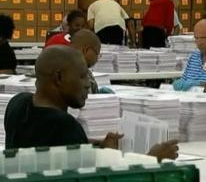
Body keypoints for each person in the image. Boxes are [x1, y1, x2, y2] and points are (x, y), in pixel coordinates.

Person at [4, 46, 178, 162]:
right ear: (58, 78)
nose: (88, 83)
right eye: (82, 76)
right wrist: (152, 159)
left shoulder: (17, 104)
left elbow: (47, 145)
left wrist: (94, 146)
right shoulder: (64, 126)